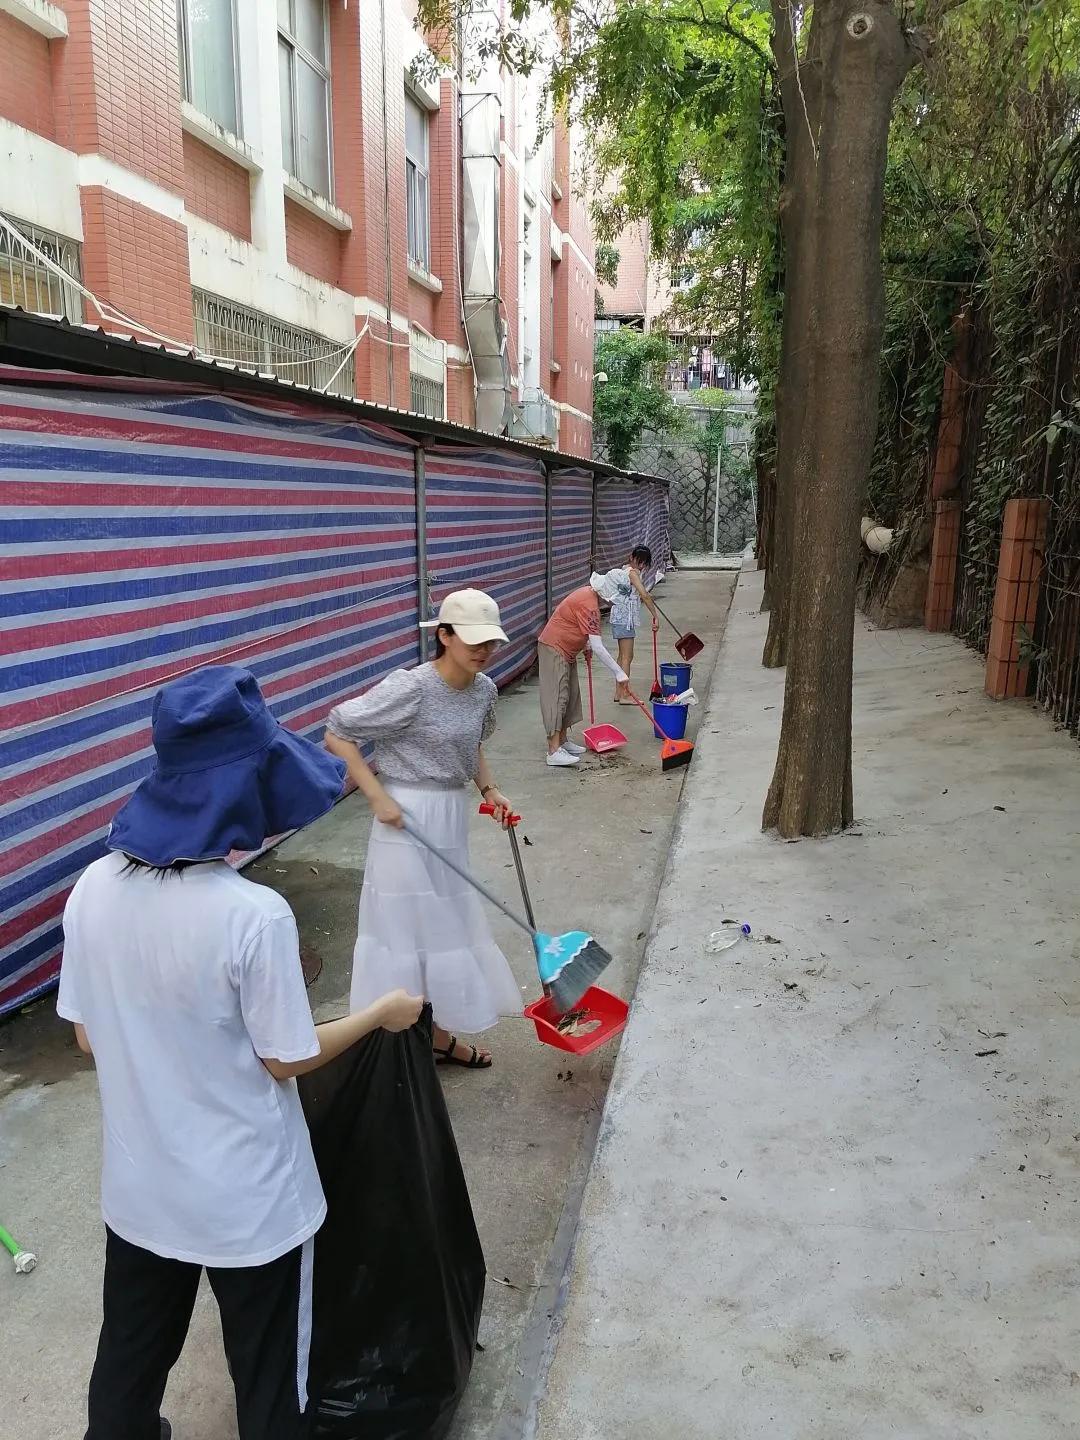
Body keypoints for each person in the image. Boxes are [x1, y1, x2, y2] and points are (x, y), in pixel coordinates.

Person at [58, 664, 423, 1440]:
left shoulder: (91, 888)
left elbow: (88, 1035)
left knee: (126, 1368)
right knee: (268, 1381)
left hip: (140, 1194)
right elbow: (285, 1057)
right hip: (248, 1206)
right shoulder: (252, 916)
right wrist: (381, 1012)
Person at [324, 588, 522, 1071]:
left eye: (490, 641)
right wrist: (377, 796)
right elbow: (337, 732)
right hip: (403, 816)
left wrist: (489, 790)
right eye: (472, 640)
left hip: (449, 816)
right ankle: (391, 1039)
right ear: (444, 635)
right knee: (402, 930)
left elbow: (472, 745)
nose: (483, 650)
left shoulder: (484, 691)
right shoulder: (410, 687)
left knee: (445, 926)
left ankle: (435, 1036)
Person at [537, 571, 632, 767]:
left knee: (571, 695)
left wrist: (585, 644)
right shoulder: (589, 604)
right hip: (554, 647)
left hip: (568, 650)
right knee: (557, 697)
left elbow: (583, 629)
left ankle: (562, 741)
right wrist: (619, 672)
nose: (613, 604)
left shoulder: (591, 599)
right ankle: (553, 750)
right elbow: (599, 646)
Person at [608, 545, 660, 704]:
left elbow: (639, 592)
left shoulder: (626, 571)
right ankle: (624, 694)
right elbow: (644, 595)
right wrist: (655, 616)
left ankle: (618, 692)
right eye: (640, 561)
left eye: (645, 563)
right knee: (627, 657)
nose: (642, 566)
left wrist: (642, 593)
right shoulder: (632, 573)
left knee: (622, 656)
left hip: (620, 618)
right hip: (625, 620)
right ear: (632, 557)